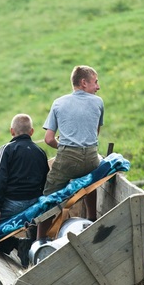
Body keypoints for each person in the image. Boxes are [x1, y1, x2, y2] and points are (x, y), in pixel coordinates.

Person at [38, 65, 104, 241]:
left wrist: (64, 146)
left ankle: (39, 241)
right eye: (95, 82)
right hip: (91, 158)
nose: (98, 87)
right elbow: (94, 134)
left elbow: (48, 139)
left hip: (67, 159)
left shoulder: (58, 103)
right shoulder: (98, 102)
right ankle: (92, 219)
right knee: (90, 181)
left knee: (48, 197)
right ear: (83, 83)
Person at [0, 113, 49, 234]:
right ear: (32, 132)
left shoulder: (7, 149)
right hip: (35, 201)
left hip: (14, 202)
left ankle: (11, 245)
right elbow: (46, 180)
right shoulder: (40, 152)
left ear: (12, 131)